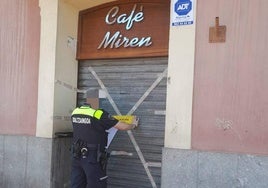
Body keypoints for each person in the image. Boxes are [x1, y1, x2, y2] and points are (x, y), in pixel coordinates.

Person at [70, 104, 138, 188]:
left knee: (77, 184)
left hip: (77, 155)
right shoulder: (98, 114)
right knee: (97, 184)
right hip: (92, 157)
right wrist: (133, 125)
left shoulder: (75, 112)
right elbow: (122, 127)